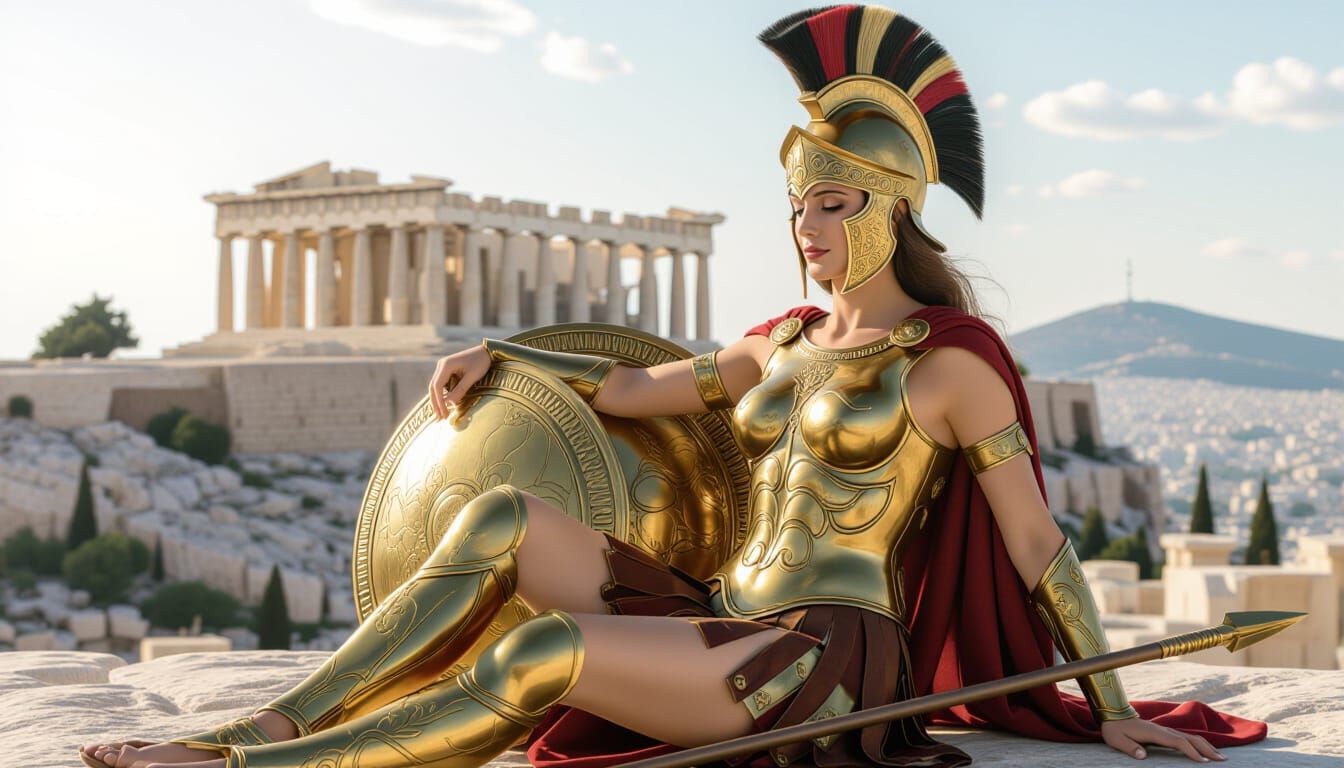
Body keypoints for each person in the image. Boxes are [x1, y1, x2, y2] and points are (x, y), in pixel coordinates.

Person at [81, 6, 1267, 768]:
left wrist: (1103, 699)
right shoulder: (779, 344)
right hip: (721, 604)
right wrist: (507, 352)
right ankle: (272, 721)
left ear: (893, 210)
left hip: (818, 657)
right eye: (798, 203)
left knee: (531, 659)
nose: (808, 226)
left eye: (836, 202)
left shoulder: (948, 366)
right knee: (495, 518)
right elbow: (633, 390)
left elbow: (1036, 546)